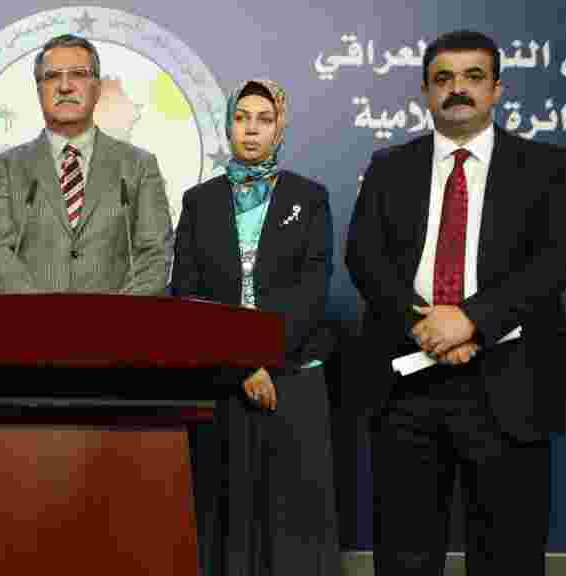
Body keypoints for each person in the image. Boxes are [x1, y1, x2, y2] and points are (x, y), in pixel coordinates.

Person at [345, 29, 566, 574]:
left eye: (474, 77)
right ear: (426, 92)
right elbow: (364, 257)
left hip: (512, 384)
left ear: (497, 89)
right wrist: (429, 329)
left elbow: (558, 259)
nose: (458, 89)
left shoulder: (546, 165)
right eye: (443, 78)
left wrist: (471, 321)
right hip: (407, 385)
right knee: (404, 556)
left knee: (509, 556)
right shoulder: (388, 166)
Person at [171, 79, 339, 576]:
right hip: (222, 379)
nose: (251, 129)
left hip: (291, 376)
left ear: (279, 128)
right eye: (242, 117)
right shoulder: (199, 201)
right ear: (228, 126)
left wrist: (264, 359)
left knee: (292, 519)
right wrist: (242, 364)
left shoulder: (309, 198)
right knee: (223, 512)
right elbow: (189, 293)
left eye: (264, 119)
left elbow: (312, 291)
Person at [0, 33, 171, 295]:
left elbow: (154, 255)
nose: (65, 86)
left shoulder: (139, 165)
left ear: (97, 88)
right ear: (38, 91)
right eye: (52, 76)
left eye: (78, 74)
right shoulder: (4, 169)